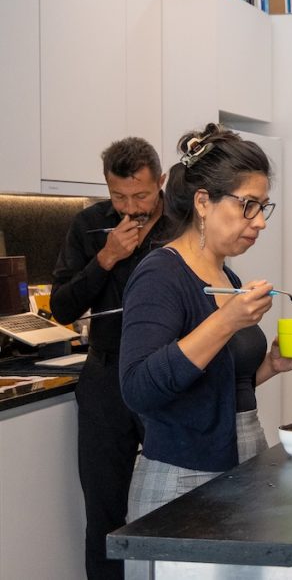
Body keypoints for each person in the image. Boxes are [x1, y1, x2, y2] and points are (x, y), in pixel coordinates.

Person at [119, 124, 292, 523]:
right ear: (203, 202)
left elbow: (214, 385)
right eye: (248, 205)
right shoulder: (160, 275)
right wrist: (225, 322)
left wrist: (270, 366)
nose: (260, 222)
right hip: (182, 481)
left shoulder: (229, 279)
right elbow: (138, 389)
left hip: (242, 464)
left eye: (263, 207)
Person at [50, 137, 168, 580]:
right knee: (104, 511)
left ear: (161, 181)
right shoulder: (87, 225)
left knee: (179, 505)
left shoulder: (181, 225)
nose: (130, 207)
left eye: (140, 195)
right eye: (118, 196)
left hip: (166, 373)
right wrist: (106, 258)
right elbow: (61, 308)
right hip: (105, 376)